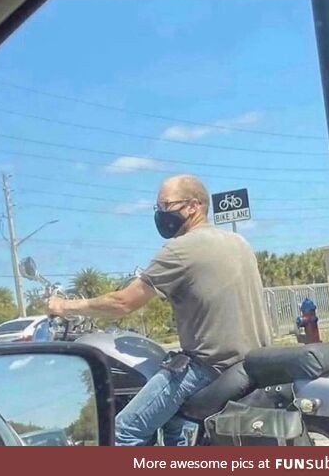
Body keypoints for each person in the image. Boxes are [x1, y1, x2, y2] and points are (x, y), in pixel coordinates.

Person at [48, 174, 271, 445]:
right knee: (172, 423)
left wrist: (66, 306)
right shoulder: (239, 242)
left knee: (121, 433)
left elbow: (123, 303)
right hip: (251, 362)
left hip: (208, 368)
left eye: (165, 205)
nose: (160, 214)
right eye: (157, 207)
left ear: (193, 206)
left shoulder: (180, 249)